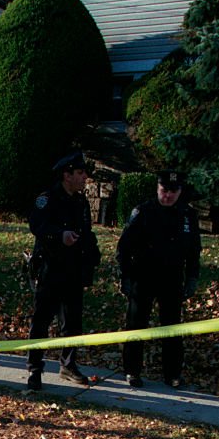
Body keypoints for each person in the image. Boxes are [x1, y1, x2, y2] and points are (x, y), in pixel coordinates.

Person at [117, 170, 201, 389]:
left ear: (180, 191)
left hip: (172, 278)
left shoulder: (187, 215)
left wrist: (192, 277)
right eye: (164, 191)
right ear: (157, 188)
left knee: (172, 328)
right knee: (136, 325)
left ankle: (172, 373)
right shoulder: (143, 212)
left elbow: (194, 250)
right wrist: (124, 275)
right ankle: (132, 371)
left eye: (173, 191)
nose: (168, 196)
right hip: (142, 277)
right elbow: (124, 247)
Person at [26, 150, 101, 391]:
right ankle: (35, 370)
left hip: (73, 271)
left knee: (72, 322)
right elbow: (37, 225)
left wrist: (92, 256)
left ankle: (68, 365)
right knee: (41, 321)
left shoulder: (80, 202)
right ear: (66, 175)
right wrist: (60, 235)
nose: (84, 177)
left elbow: (86, 233)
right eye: (80, 173)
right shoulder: (47, 199)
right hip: (50, 269)